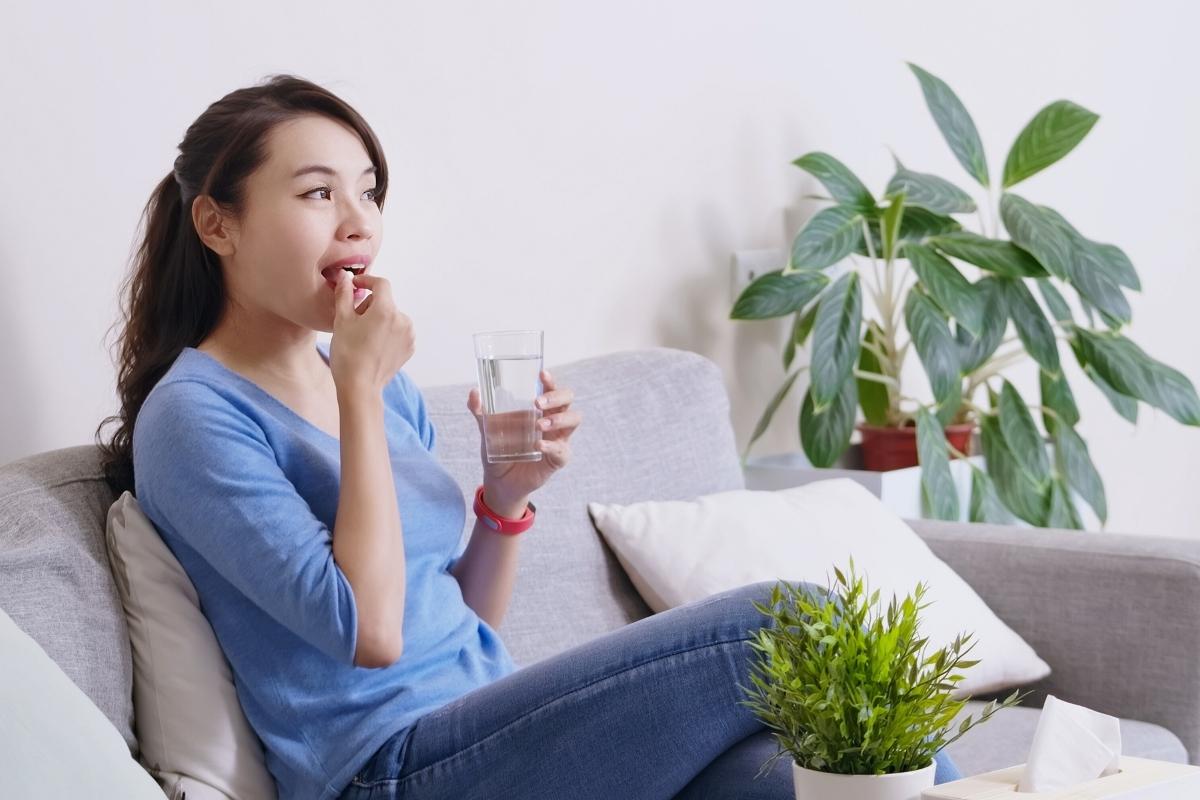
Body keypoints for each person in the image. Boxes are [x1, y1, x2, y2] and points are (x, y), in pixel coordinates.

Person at [95, 74, 962, 800]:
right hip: (390, 773)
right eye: (319, 192)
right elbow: (370, 634)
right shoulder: (197, 416)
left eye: (368, 191)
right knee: (794, 620)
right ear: (218, 224)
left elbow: (459, 620)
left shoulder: (374, 379)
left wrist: (504, 499)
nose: (358, 221)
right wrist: (355, 388)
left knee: (817, 774)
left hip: (491, 731)